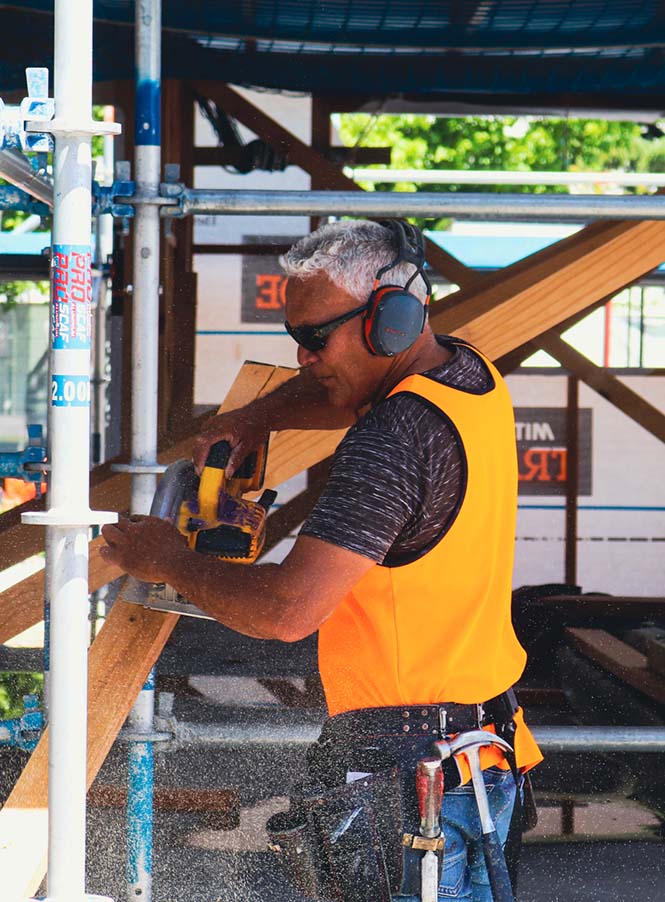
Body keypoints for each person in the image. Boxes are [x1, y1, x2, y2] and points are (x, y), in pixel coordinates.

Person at [101, 219, 542, 901]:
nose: (304, 359)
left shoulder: (391, 439)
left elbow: (285, 611)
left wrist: (170, 560)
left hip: (409, 775)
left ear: (388, 320)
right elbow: (347, 390)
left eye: (314, 339)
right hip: (479, 753)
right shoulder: (464, 372)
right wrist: (258, 418)